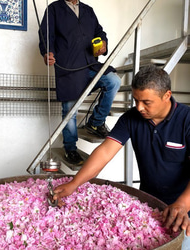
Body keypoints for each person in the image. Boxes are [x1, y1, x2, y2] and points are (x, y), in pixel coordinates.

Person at [53, 65, 190, 235]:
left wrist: (183, 203)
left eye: (146, 102)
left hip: (184, 208)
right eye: (136, 100)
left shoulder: (187, 119)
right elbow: (104, 152)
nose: (139, 107)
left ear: (167, 95)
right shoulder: (131, 118)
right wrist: (75, 183)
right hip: (149, 203)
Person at [38, 0, 121, 166]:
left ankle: (96, 123)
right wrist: (47, 53)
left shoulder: (88, 10)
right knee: (70, 109)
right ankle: (70, 149)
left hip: (90, 62)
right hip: (69, 67)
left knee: (113, 80)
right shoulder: (54, 9)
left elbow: (99, 31)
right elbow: (46, 35)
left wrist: (103, 43)